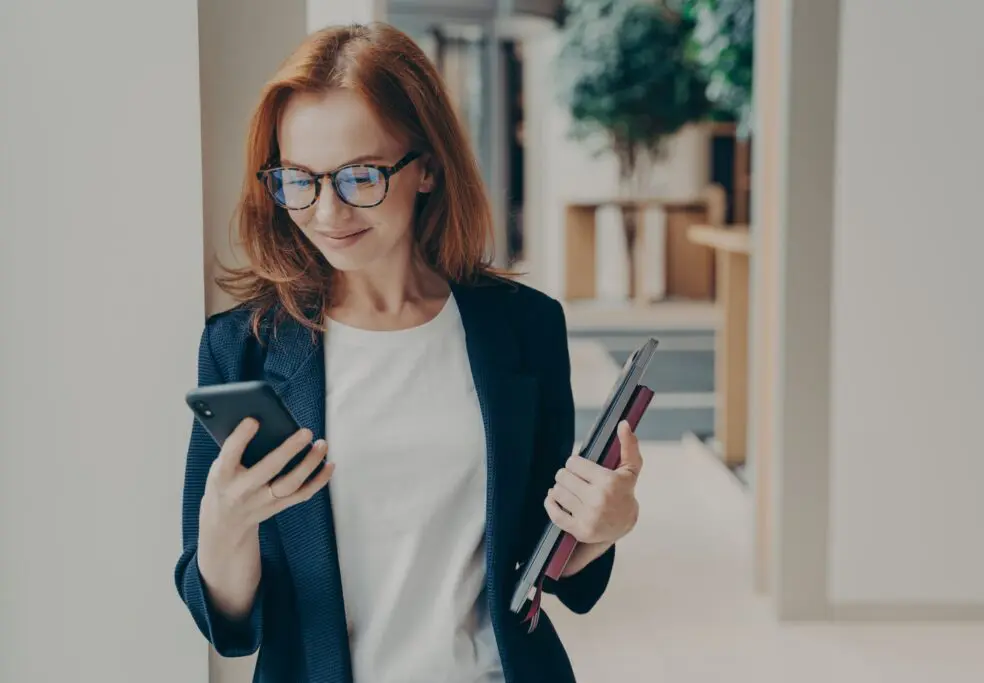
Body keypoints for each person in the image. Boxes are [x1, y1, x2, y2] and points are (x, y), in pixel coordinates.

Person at [174, 22, 645, 683]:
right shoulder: (240, 349)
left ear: (426, 167)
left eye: (360, 176)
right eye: (298, 179)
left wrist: (602, 526)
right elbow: (227, 623)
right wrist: (225, 528)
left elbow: (549, 565)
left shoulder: (525, 328)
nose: (327, 211)